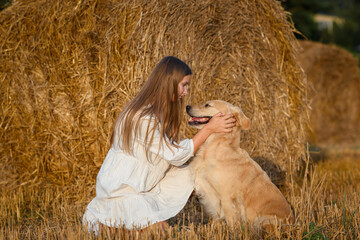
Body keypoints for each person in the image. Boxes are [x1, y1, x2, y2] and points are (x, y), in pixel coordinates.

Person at [82, 56, 235, 233]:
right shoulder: (143, 118)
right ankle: (106, 224)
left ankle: (226, 216)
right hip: (122, 192)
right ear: (169, 82)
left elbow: (171, 157)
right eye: (184, 85)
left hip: (144, 185)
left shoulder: (155, 113)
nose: (185, 92)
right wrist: (208, 129)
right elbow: (175, 155)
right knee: (160, 232)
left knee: (196, 173)